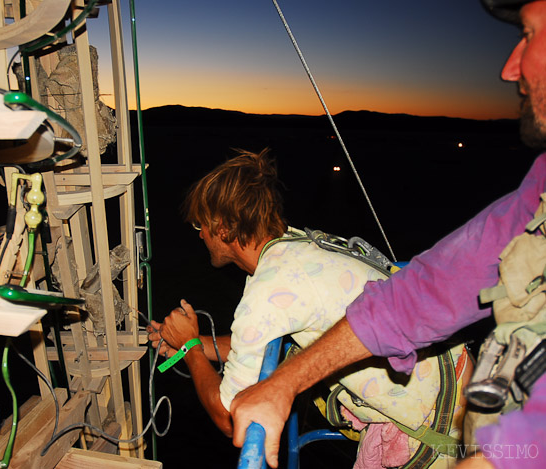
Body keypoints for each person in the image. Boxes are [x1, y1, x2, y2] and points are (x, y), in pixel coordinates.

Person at [229, 1, 546, 468]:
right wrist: (283, 383)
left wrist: (195, 350)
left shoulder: (270, 282)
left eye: (531, 33)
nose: (509, 66)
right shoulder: (536, 196)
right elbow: (423, 293)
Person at [147, 149, 471, 467]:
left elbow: (231, 417)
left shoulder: (269, 291)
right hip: (454, 377)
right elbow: (256, 344)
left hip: (441, 424)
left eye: (199, 226)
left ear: (223, 229)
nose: (199, 235)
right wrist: (190, 342)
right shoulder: (294, 247)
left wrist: (190, 348)